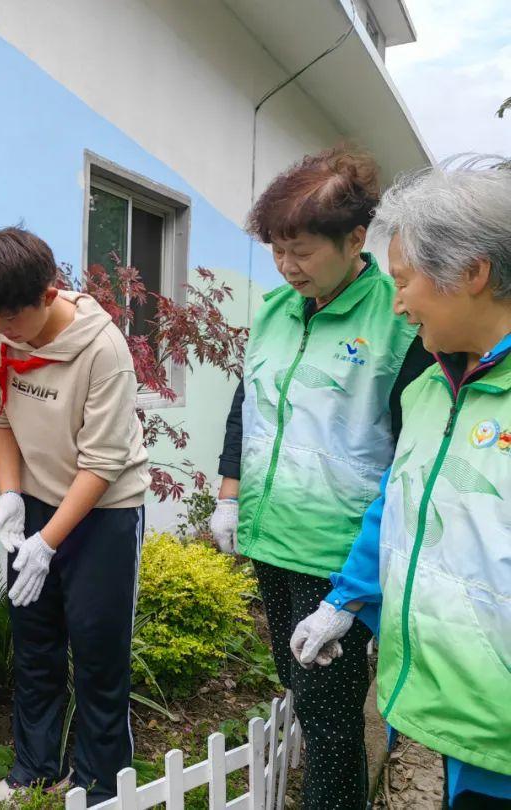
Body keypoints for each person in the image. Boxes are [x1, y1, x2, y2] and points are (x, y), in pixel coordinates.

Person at [208, 146, 431, 809]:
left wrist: (353, 589)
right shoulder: (277, 311)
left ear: (356, 239)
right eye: (278, 249)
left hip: (339, 551)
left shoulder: (399, 318)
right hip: (271, 537)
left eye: (301, 249)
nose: (287, 265)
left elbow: (413, 450)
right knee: (303, 696)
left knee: (330, 722)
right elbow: (245, 404)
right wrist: (229, 495)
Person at [291, 159, 511, 809]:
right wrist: (345, 601)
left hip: (494, 743)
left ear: (473, 272)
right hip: (410, 710)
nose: (398, 302)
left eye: (406, 281)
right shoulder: (423, 392)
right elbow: (396, 504)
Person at [0, 227, 149, 804]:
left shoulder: (103, 350)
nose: (4, 330)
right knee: (34, 639)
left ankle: (99, 781)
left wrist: (48, 543)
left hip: (105, 509)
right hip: (35, 499)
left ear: (49, 292)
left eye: (14, 315)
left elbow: (103, 462)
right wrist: (12, 495)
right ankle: (35, 767)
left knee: (97, 646)